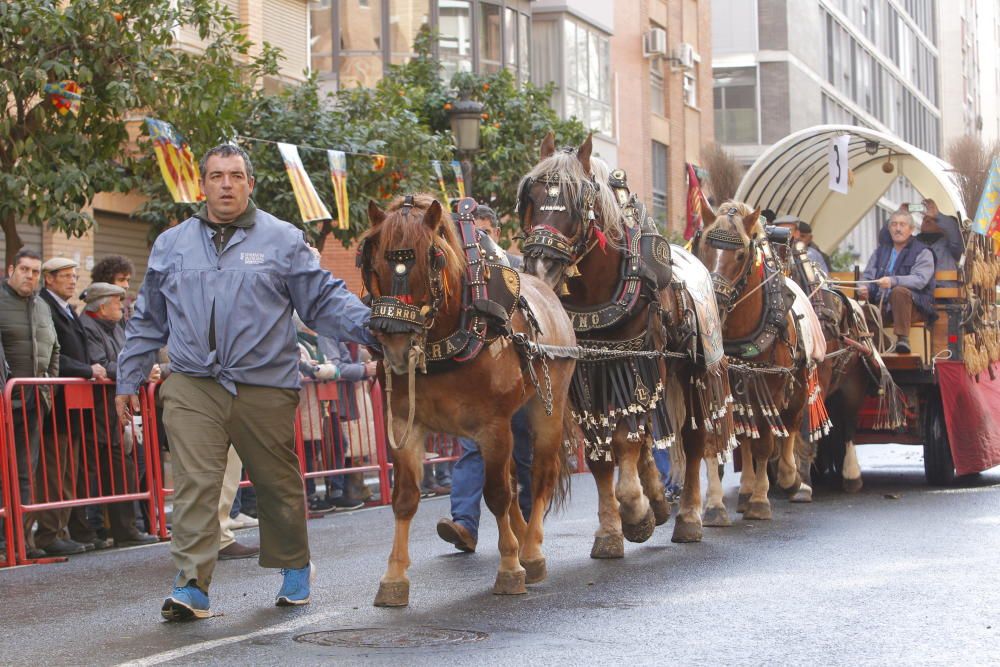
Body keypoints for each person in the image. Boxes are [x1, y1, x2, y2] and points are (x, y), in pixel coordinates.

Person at [115, 143, 376, 621]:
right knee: (197, 484)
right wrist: (127, 378)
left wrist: (375, 326)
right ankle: (192, 584)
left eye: (236, 175)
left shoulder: (281, 238)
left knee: (277, 483)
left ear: (250, 184)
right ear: (203, 185)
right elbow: (148, 319)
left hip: (264, 383)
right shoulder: (172, 243)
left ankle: (294, 565)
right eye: (216, 176)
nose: (226, 184)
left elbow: (321, 301)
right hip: (193, 383)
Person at [32, 258, 109, 556]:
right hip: (57, 404)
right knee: (53, 471)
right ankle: (50, 533)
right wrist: (89, 370)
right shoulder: (45, 307)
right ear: (48, 279)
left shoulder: (67, 309)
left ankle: (61, 529)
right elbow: (56, 356)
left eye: (75, 276)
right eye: (65, 276)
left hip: (74, 405)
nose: (72, 281)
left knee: (67, 472)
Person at [79, 283, 160, 548]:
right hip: (94, 412)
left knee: (122, 469)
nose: (121, 308)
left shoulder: (116, 326)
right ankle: (97, 530)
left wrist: (139, 371)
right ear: (102, 305)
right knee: (92, 472)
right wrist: (135, 374)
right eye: (116, 303)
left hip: (115, 411)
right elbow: (103, 364)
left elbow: (127, 360)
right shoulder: (88, 326)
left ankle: (127, 529)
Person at [0, 249, 59, 559]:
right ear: (12, 269)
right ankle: (3, 542)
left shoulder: (41, 306)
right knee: (2, 472)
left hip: (34, 401)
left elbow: (55, 349)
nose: (30, 276)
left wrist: (49, 388)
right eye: (24, 269)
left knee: (25, 473)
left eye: (35, 271)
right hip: (4, 402)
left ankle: (22, 541)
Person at [436, 410, 533, 553]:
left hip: (517, 391)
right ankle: (465, 525)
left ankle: (526, 523)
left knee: (519, 445)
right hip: (477, 392)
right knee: (473, 447)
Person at [858, 209, 936, 354]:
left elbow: (920, 280)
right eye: (894, 224)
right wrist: (864, 288)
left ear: (911, 229)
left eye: (902, 225)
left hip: (915, 307)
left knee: (899, 291)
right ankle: (885, 348)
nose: (898, 229)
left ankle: (903, 339)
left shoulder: (923, 251)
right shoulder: (881, 251)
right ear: (889, 228)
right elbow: (868, 276)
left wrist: (894, 281)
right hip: (885, 306)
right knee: (862, 313)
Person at [916, 198, 963, 283]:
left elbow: (953, 230)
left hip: (944, 293)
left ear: (943, 227)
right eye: (925, 218)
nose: (927, 219)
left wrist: (938, 215)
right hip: (918, 292)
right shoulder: (912, 242)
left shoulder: (952, 245)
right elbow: (886, 241)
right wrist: (900, 213)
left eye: (933, 219)